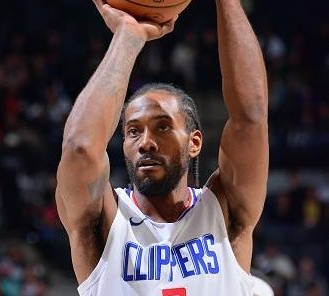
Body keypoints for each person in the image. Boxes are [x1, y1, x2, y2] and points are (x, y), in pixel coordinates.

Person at [56, 0, 268, 295]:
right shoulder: (103, 222)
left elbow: (251, 119)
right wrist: (128, 37)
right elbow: (79, 147)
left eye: (163, 127)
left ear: (194, 142)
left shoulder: (225, 211)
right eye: (133, 131)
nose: (146, 143)